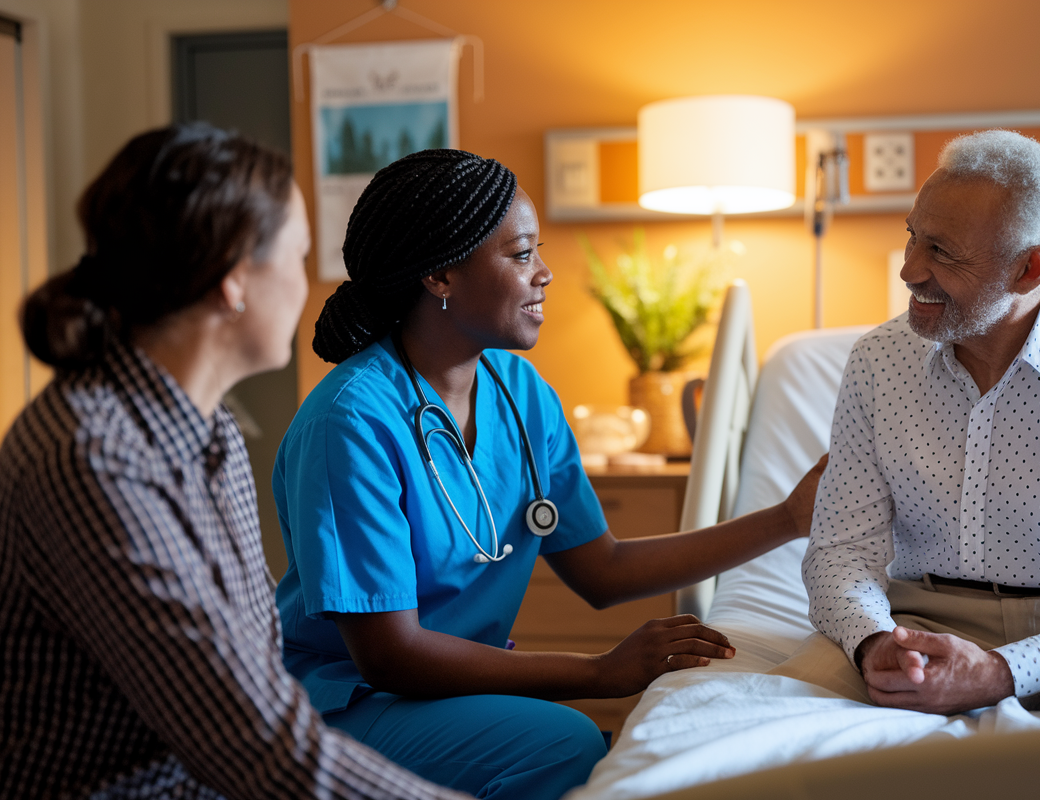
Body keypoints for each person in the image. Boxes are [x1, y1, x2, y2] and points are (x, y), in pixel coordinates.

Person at [273, 148, 824, 800]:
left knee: (568, 745)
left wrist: (788, 518)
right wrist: (597, 673)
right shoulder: (352, 420)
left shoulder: (520, 392)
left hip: (445, 689)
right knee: (562, 744)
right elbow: (389, 653)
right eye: (521, 254)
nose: (546, 274)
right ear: (441, 276)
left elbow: (603, 568)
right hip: (346, 698)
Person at [0, 124, 462, 799]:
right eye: (297, 260)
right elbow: (255, 749)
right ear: (234, 280)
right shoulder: (92, 459)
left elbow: (256, 691)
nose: (307, 289)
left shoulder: (212, 433)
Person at [775, 129, 1040, 716]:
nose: (909, 271)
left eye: (942, 253)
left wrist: (1006, 671)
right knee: (782, 722)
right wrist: (873, 642)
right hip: (909, 625)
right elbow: (840, 551)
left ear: (1029, 269)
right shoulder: (878, 362)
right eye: (913, 238)